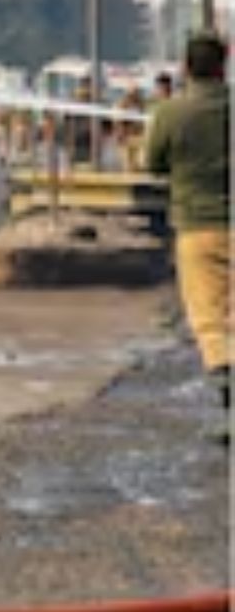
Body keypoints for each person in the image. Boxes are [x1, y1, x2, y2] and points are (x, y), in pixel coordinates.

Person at [146, 34, 231, 412]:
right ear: (223, 66)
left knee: (209, 315)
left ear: (185, 67)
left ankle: (228, 395)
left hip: (197, 225)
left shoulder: (171, 112)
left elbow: (154, 164)